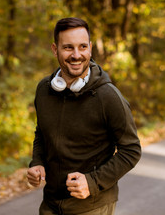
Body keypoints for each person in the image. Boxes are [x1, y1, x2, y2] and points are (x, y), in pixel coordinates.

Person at [27, 17, 141, 215]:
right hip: (51, 203)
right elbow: (41, 132)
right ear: (55, 50)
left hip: (92, 205)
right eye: (68, 48)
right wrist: (37, 162)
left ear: (90, 48)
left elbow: (131, 150)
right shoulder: (44, 90)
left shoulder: (108, 96)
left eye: (82, 47)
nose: (76, 55)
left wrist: (92, 182)